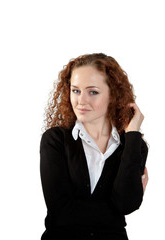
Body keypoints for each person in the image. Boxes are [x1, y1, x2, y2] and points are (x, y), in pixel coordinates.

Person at [40, 53, 149, 240]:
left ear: (113, 94)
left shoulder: (133, 146)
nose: (81, 101)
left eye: (93, 92)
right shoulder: (55, 140)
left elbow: (125, 204)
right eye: (76, 90)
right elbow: (60, 212)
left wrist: (132, 135)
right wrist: (113, 214)